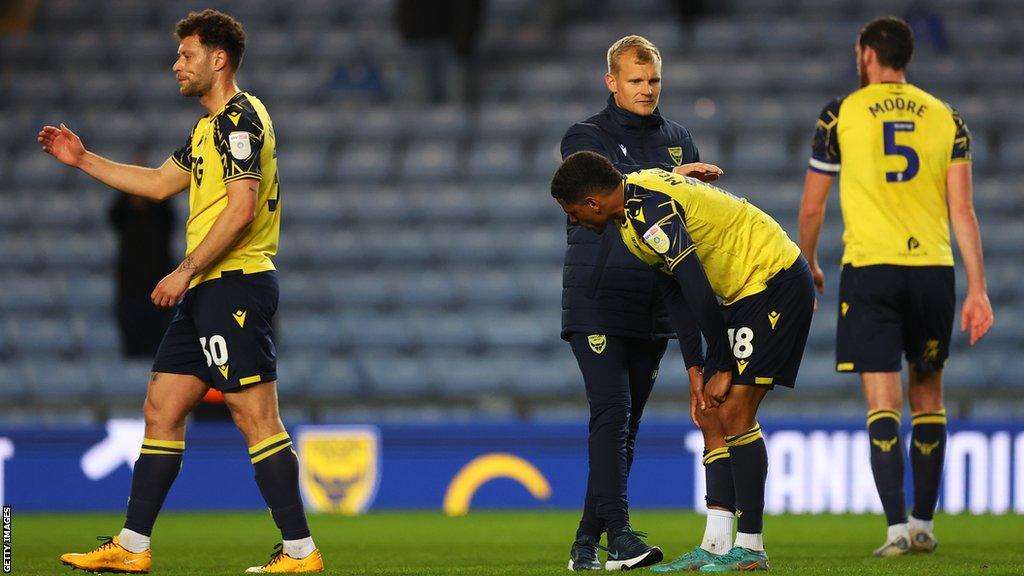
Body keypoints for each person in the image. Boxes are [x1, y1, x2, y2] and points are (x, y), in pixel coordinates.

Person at [40, 10, 323, 574]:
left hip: (234, 282)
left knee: (254, 418)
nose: (177, 65)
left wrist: (185, 269)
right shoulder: (205, 130)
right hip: (208, 289)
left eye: (186, 55)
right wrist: (83, 159)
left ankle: (301, 552)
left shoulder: (239, 120)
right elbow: (158, 183)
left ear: (218, 60)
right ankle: (133, 546)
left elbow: (241, 210)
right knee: (161, 408)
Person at [552, 151, 814, 572]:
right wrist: (698, 367)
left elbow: (692, 280)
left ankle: (750, 547)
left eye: (573, 211)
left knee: (734, 412)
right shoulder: (631, 214)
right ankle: (715, 545)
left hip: (771, 278)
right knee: (711, 412)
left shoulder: (648, 214)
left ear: (592, 203)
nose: (574, 220)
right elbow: (675, 292)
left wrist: (722, 361)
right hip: (740, 292)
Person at [798, 16, 993, 557]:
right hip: (934, 270)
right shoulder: (946, 117)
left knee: (883, 400)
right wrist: (978, 288)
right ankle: (925, 524)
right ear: (905, 57)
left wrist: (809, 262)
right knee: (928, 396)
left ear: (866, 54)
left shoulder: (841, 114)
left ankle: (894, 532)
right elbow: (964, 209)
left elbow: (813, 204)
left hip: (871, 271)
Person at [559, 35, 724, 571]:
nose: (647, 90)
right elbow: (606, 190)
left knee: (623, 430)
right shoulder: (585, 136)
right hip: (599, 297)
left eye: (653, 80)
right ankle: (621, 537)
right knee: (612, 414)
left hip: (655, 302)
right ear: (612, 82)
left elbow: (689, 221)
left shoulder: (680, 138)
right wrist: (676, 181)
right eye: (636, 80)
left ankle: (587, 544)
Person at [109, 190, 175, 358]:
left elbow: (169, 214)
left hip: (160, 288)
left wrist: (148, 193)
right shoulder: (125, 216)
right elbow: (113, 216)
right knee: (132, 344)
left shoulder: (161, 216)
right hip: (130, 287)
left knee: (161, 347)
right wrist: (128, 194)